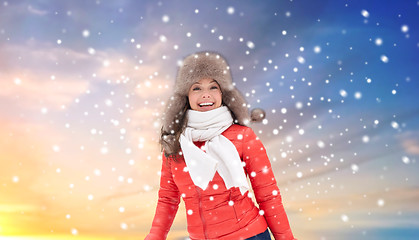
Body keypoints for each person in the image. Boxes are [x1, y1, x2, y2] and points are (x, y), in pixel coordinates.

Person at [145, 51, 296, 240]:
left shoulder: (243, 137)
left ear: (223, 93)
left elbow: (267, 195)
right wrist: (154, 236)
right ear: (185, 96)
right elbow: (168, 199)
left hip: (248, 236)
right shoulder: (176, 144)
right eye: (196, 88)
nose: (206, 94)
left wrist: (286, 238)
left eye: (213, 87)